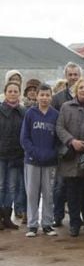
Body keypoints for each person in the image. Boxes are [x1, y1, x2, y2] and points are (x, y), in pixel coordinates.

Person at [56, 78, 84, 237]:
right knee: (72, 193)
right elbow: (59, 127)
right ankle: (74, 223)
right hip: (71, 156)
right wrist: (71, 141)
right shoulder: (66, 107)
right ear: (76, 90)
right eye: (81, 88)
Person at [20, 84, 59, 237]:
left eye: (47, 95)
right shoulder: (30, 113)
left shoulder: (55, 114)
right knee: (32, 193)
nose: (44, 98)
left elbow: (58, 139)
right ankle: (32, 225)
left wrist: (52, 153)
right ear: (36, 97)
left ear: (51, 97)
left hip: (50, 161)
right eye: (41, 95)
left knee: (49, 193)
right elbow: (24, 137)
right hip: (32, 160)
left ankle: (48, 224)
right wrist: (33, 152)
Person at [51, 62, 82, 228]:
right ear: (66, 76)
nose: (73, 77)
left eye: (76, 74)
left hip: (82, 149)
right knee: (60, 185)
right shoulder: (57, 99)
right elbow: (55, 124)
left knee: (80, 187)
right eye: (70, 74)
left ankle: (80, 219)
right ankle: (57, 216)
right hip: (64, 149)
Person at [0, 81, 26, 230]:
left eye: (15, 91)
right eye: (10, 91)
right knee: (1, 185)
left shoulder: (23, 112)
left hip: (16, 156)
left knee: (12, 187)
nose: (12, 94)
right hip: (1, 155)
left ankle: (7, 217)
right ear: (5, 93)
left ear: (19, 94)